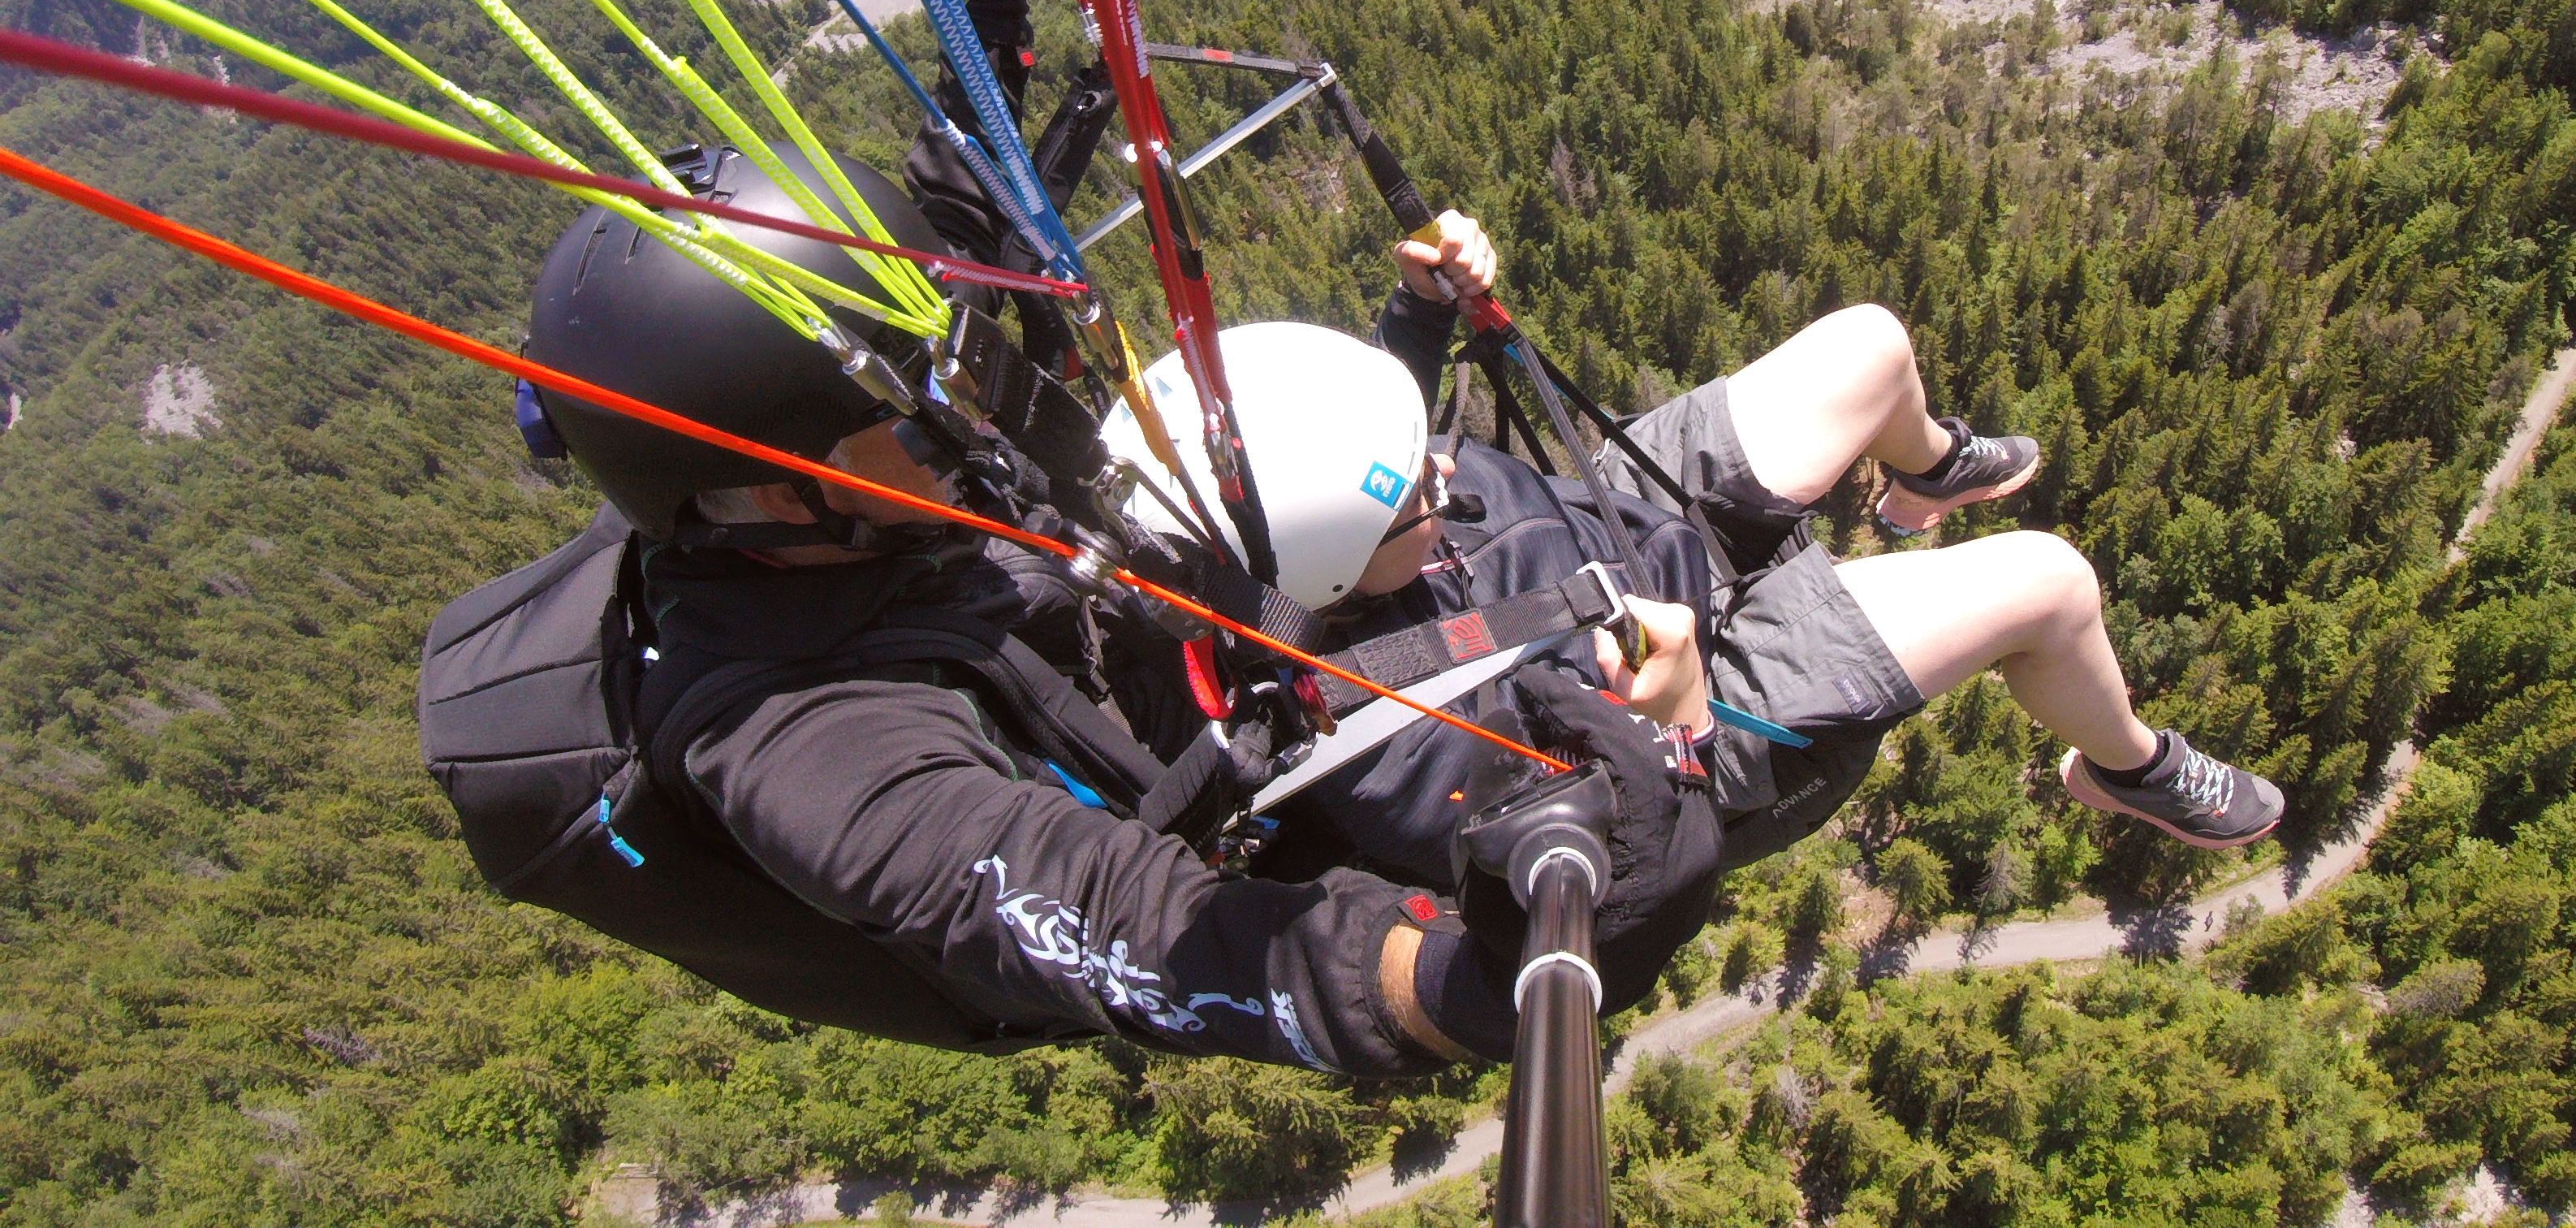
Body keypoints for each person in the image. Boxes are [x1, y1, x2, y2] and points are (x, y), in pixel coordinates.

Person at [492, 146, 1723, 1075]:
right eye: (914, 414)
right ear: (784, 488)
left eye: (954, 367)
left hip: (1262, 643)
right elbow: (1102, 910)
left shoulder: (879, 478)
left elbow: (967, 187)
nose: (966, 418)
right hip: (1291, 787)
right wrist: (1464, 981)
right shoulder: (802, 749)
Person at [1110, 212, 2286, 893]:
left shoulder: (1272, 535)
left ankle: (1924, 471)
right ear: (1335, 570)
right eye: (1419, 491)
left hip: (1614, 523)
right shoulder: (1386, 757)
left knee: (1873, 344)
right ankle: (2131, 766)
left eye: (1423, 449)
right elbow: (1618, 862)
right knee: (2051, 583)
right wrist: (1672, 719)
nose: (1447, 470)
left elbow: (1358, 472)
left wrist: (1418, 317)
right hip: (1700, 699)